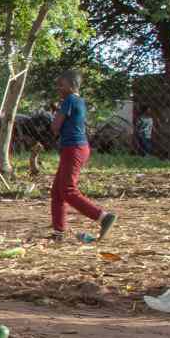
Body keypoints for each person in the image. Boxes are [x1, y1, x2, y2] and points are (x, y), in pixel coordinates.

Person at [49, 71, 114, 243]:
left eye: (61, 85)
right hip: (77, 148)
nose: (58, 88)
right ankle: (58, 233)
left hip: (73, 148)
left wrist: (55, 114)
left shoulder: (68, 101)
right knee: (57, 192)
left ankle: (102, 217)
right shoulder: (79, 101)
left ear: (71, 86)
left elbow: (55, 127)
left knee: (68, 190)